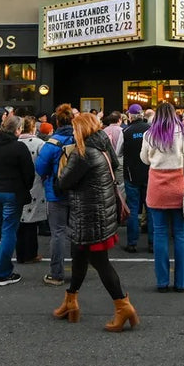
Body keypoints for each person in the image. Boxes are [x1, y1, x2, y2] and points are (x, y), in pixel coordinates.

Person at [52, 112, 139, 331]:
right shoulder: (101, 148)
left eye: (74, 129)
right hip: (98, 213)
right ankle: (70, 301)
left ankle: (123, 306)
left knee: (100, 263)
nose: (72, 132)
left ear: (81, 130)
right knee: (79, 258)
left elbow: (62, 183)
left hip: (89, 217)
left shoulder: (83, 154)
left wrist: (60, 166)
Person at [142, 101, 184, 292]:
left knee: (160, 233)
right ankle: (181, 282)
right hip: (180, 188)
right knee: (181, 234)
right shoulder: (183, 132)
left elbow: (144, 158)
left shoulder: (149, 134)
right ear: (175, 115)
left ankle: (162, 282)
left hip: (157, 188)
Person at [0, 115, 34, 286]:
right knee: (8, 231)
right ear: (18, 129)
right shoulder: (19, 147)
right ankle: (3, 273)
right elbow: (28, 172)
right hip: (12, 191)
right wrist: (25, 187)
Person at [35, 103, 76, 286]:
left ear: (57, 121)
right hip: (77, 190)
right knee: (77, 232)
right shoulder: (80, 139)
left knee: (57, 233)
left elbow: (40, 167)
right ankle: (79, 271)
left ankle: (57, 273)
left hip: (56, 190)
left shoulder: (51, 143)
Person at [120, 104, 153, 253]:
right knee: (152, 209)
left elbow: (118, 152)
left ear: (130, 116)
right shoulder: (151, 130)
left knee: (133, 209)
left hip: (131, 174)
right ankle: (153, 243)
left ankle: (132, 243)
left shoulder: (126, 131)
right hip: (150, 174)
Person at [17, 117, 48, 263]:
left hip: (18, 184)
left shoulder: (15, 143)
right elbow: (45, 163)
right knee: (31, 222)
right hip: (35, 184)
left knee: (20, 220)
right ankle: (30, 254)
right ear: (33, 128)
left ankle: (21, 252)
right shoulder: (39, 144)